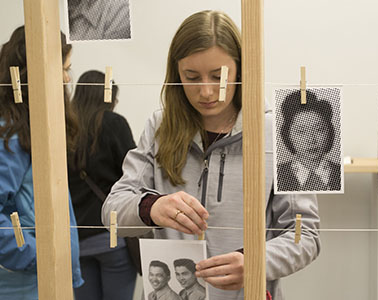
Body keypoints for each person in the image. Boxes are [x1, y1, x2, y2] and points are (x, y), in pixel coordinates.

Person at [102, 10, 320, 300]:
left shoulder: (279, 131)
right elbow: (112, 210)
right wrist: (151, 208)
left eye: (219, 76)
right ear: (176, 74)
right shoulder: (159, 126)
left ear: (242, 70)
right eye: (191, 77)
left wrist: (255, 262)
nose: (206, 91)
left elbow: (306, 237)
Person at [0, 26, 83, 298]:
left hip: (42, 278)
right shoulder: (9, 136)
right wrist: (37, 255)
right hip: (21, 284)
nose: (68, 78)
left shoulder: (32, 129)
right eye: (64, 68)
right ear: (41, 73)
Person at [68, 70, 137, 300]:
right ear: (108, 97)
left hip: (77, 238)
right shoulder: (114, 123)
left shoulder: (63, 128)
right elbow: (134, 174)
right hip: (111, 236)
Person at [276, 89, 341, 192]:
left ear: (329, 131)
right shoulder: (278, 174)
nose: (311, 140)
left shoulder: (340, 173)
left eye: (319, 129)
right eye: (301, 131)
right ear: (287, 135)